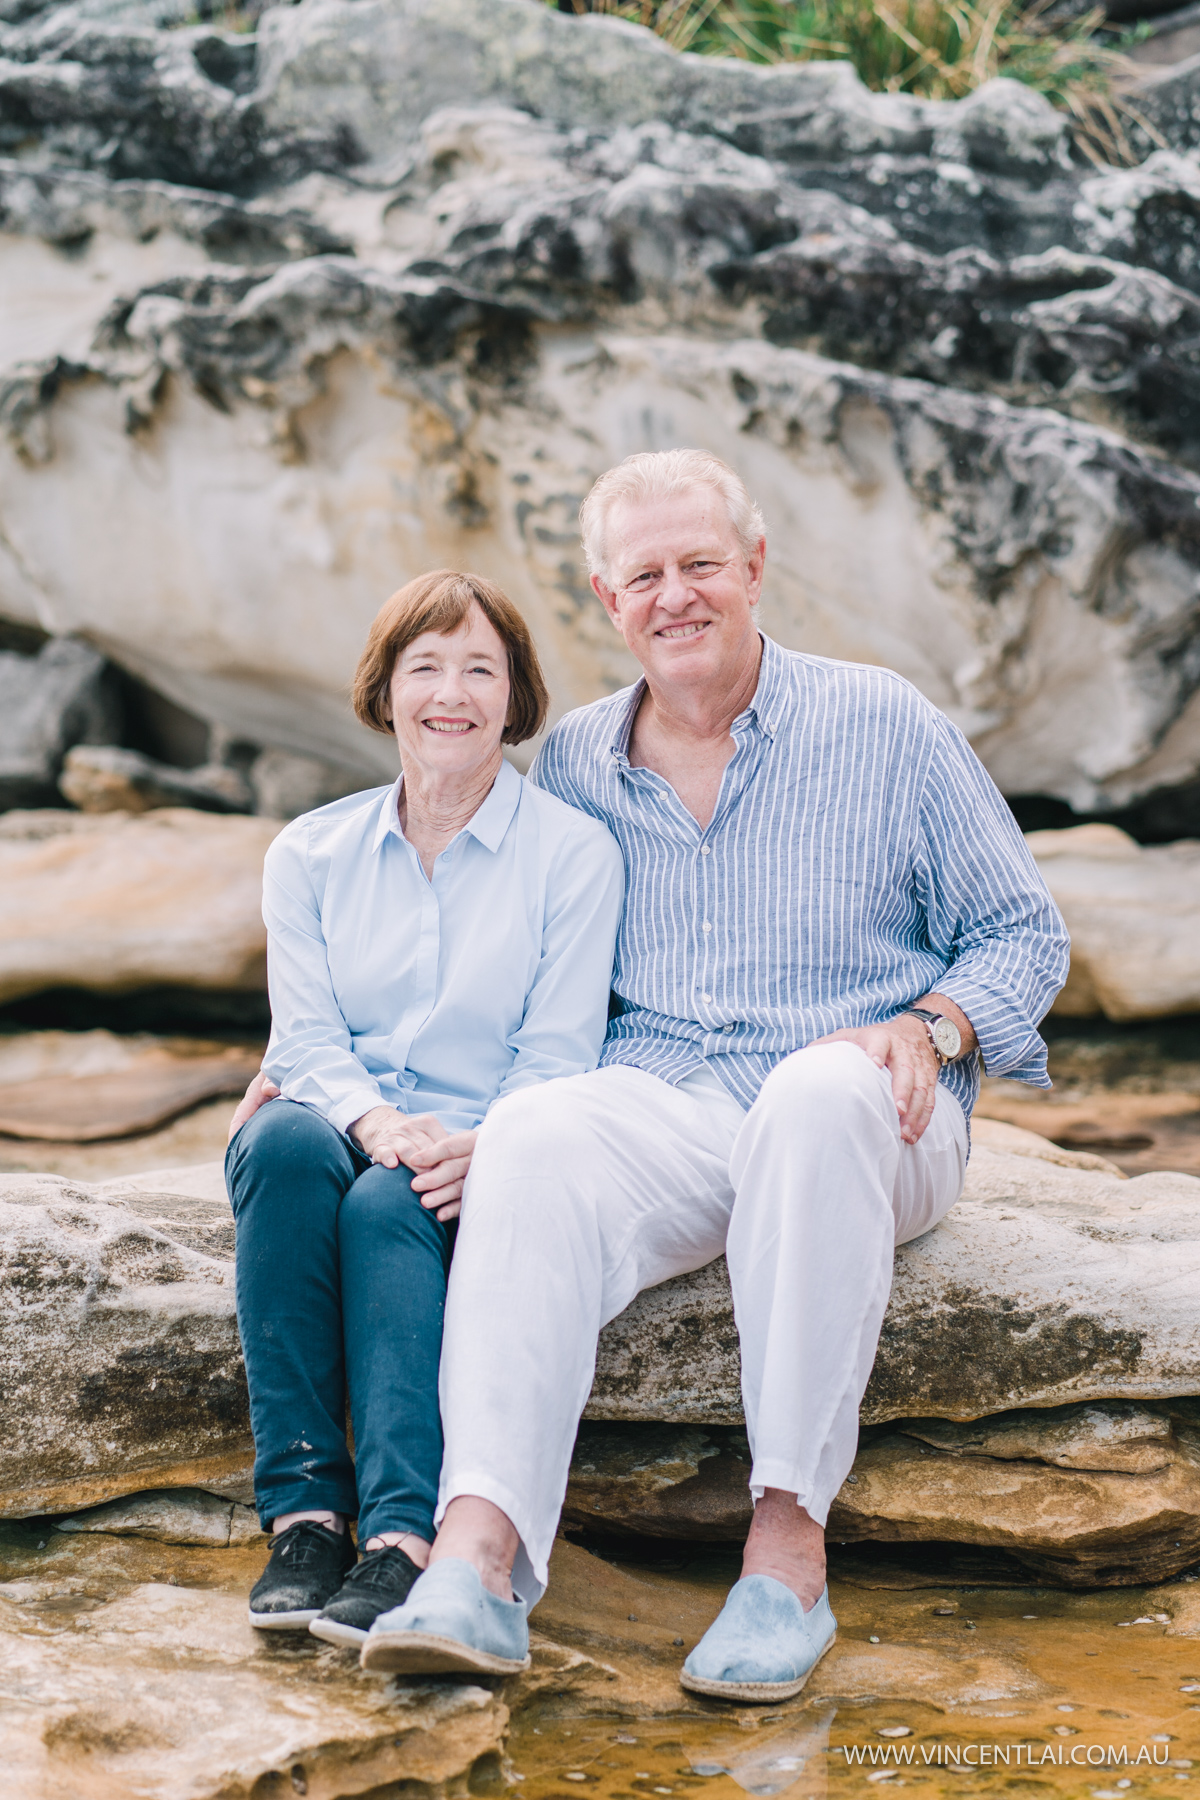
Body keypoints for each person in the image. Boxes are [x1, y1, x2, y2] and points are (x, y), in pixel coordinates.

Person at [354, 449, 1071, 1697]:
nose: (675, 595)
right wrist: (324, 1068)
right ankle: (475, 1560)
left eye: (700, 565)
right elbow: (480, 945)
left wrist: (937, 1025)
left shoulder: (883, 721)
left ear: (752, 569)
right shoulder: (574, 759)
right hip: (668, 1102)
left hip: (868, 1108)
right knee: (535, 1130)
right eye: (645, 575)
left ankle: (786, 1557)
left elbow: (1024, 929)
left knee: (815, 1091)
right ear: (604, 597)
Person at [226, 569, 624, 1647]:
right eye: (426, 668)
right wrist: (373, 1124)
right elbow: (303, 1042)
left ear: (516, 696)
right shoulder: (307, 853)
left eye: (480, 670)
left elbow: (559, 1050)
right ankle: (305, 1516)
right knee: (279, 1141)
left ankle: (400, 1536)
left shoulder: (574, 856)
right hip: (343, 1122)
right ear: (386, 690)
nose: (452, 693)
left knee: (385, 1206)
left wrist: (476, 1145)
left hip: (482, 1141)